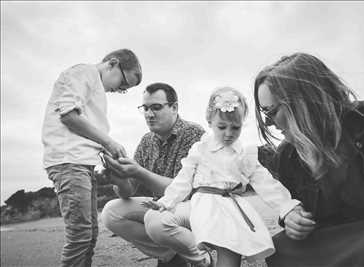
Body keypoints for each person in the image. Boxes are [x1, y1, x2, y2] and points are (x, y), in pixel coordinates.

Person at [254, 52, 364, 267]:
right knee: (280, 248)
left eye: (271, 112)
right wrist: (291, 217)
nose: (269, 124)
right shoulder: (287, 157)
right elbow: (294, 208)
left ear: (303, 102)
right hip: (341, 237)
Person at [141, 87, 300, 267]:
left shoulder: (244, 153)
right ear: (210, 121)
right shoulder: (200, 149)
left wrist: (287, 206)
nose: (228, 133)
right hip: (206, 207)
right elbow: (183, 180)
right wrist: (166, 202)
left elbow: (265, 182)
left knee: (230, 257)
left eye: (235, 127)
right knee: (218, 241)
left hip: (232, 208)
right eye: (222, 127)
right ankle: (200, 257)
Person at [41, 48, 142, 266]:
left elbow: (85, 126)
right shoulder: (84, 72)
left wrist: (104, 150)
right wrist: (107, 141)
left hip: (82, 163)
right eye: (123, 84)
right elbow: (68, 115)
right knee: (79, 236)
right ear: (112, 63)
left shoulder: (96, 88)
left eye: (124, 90)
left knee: (90, 234)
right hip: (68, 160)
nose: (119, 90)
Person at [100, 82, 206, 267]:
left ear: (174, 107)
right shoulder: (146, 141)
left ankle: (200, 258)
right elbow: (128, 192)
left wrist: (139, 172)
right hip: (160, 209)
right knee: (110, 212)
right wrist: (120, 179)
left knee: (156, 220)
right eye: (145, 108)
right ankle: (172, 254)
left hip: (194, 207)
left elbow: (183, 190)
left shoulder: (193, 133)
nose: (149, 114)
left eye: (156, 107)